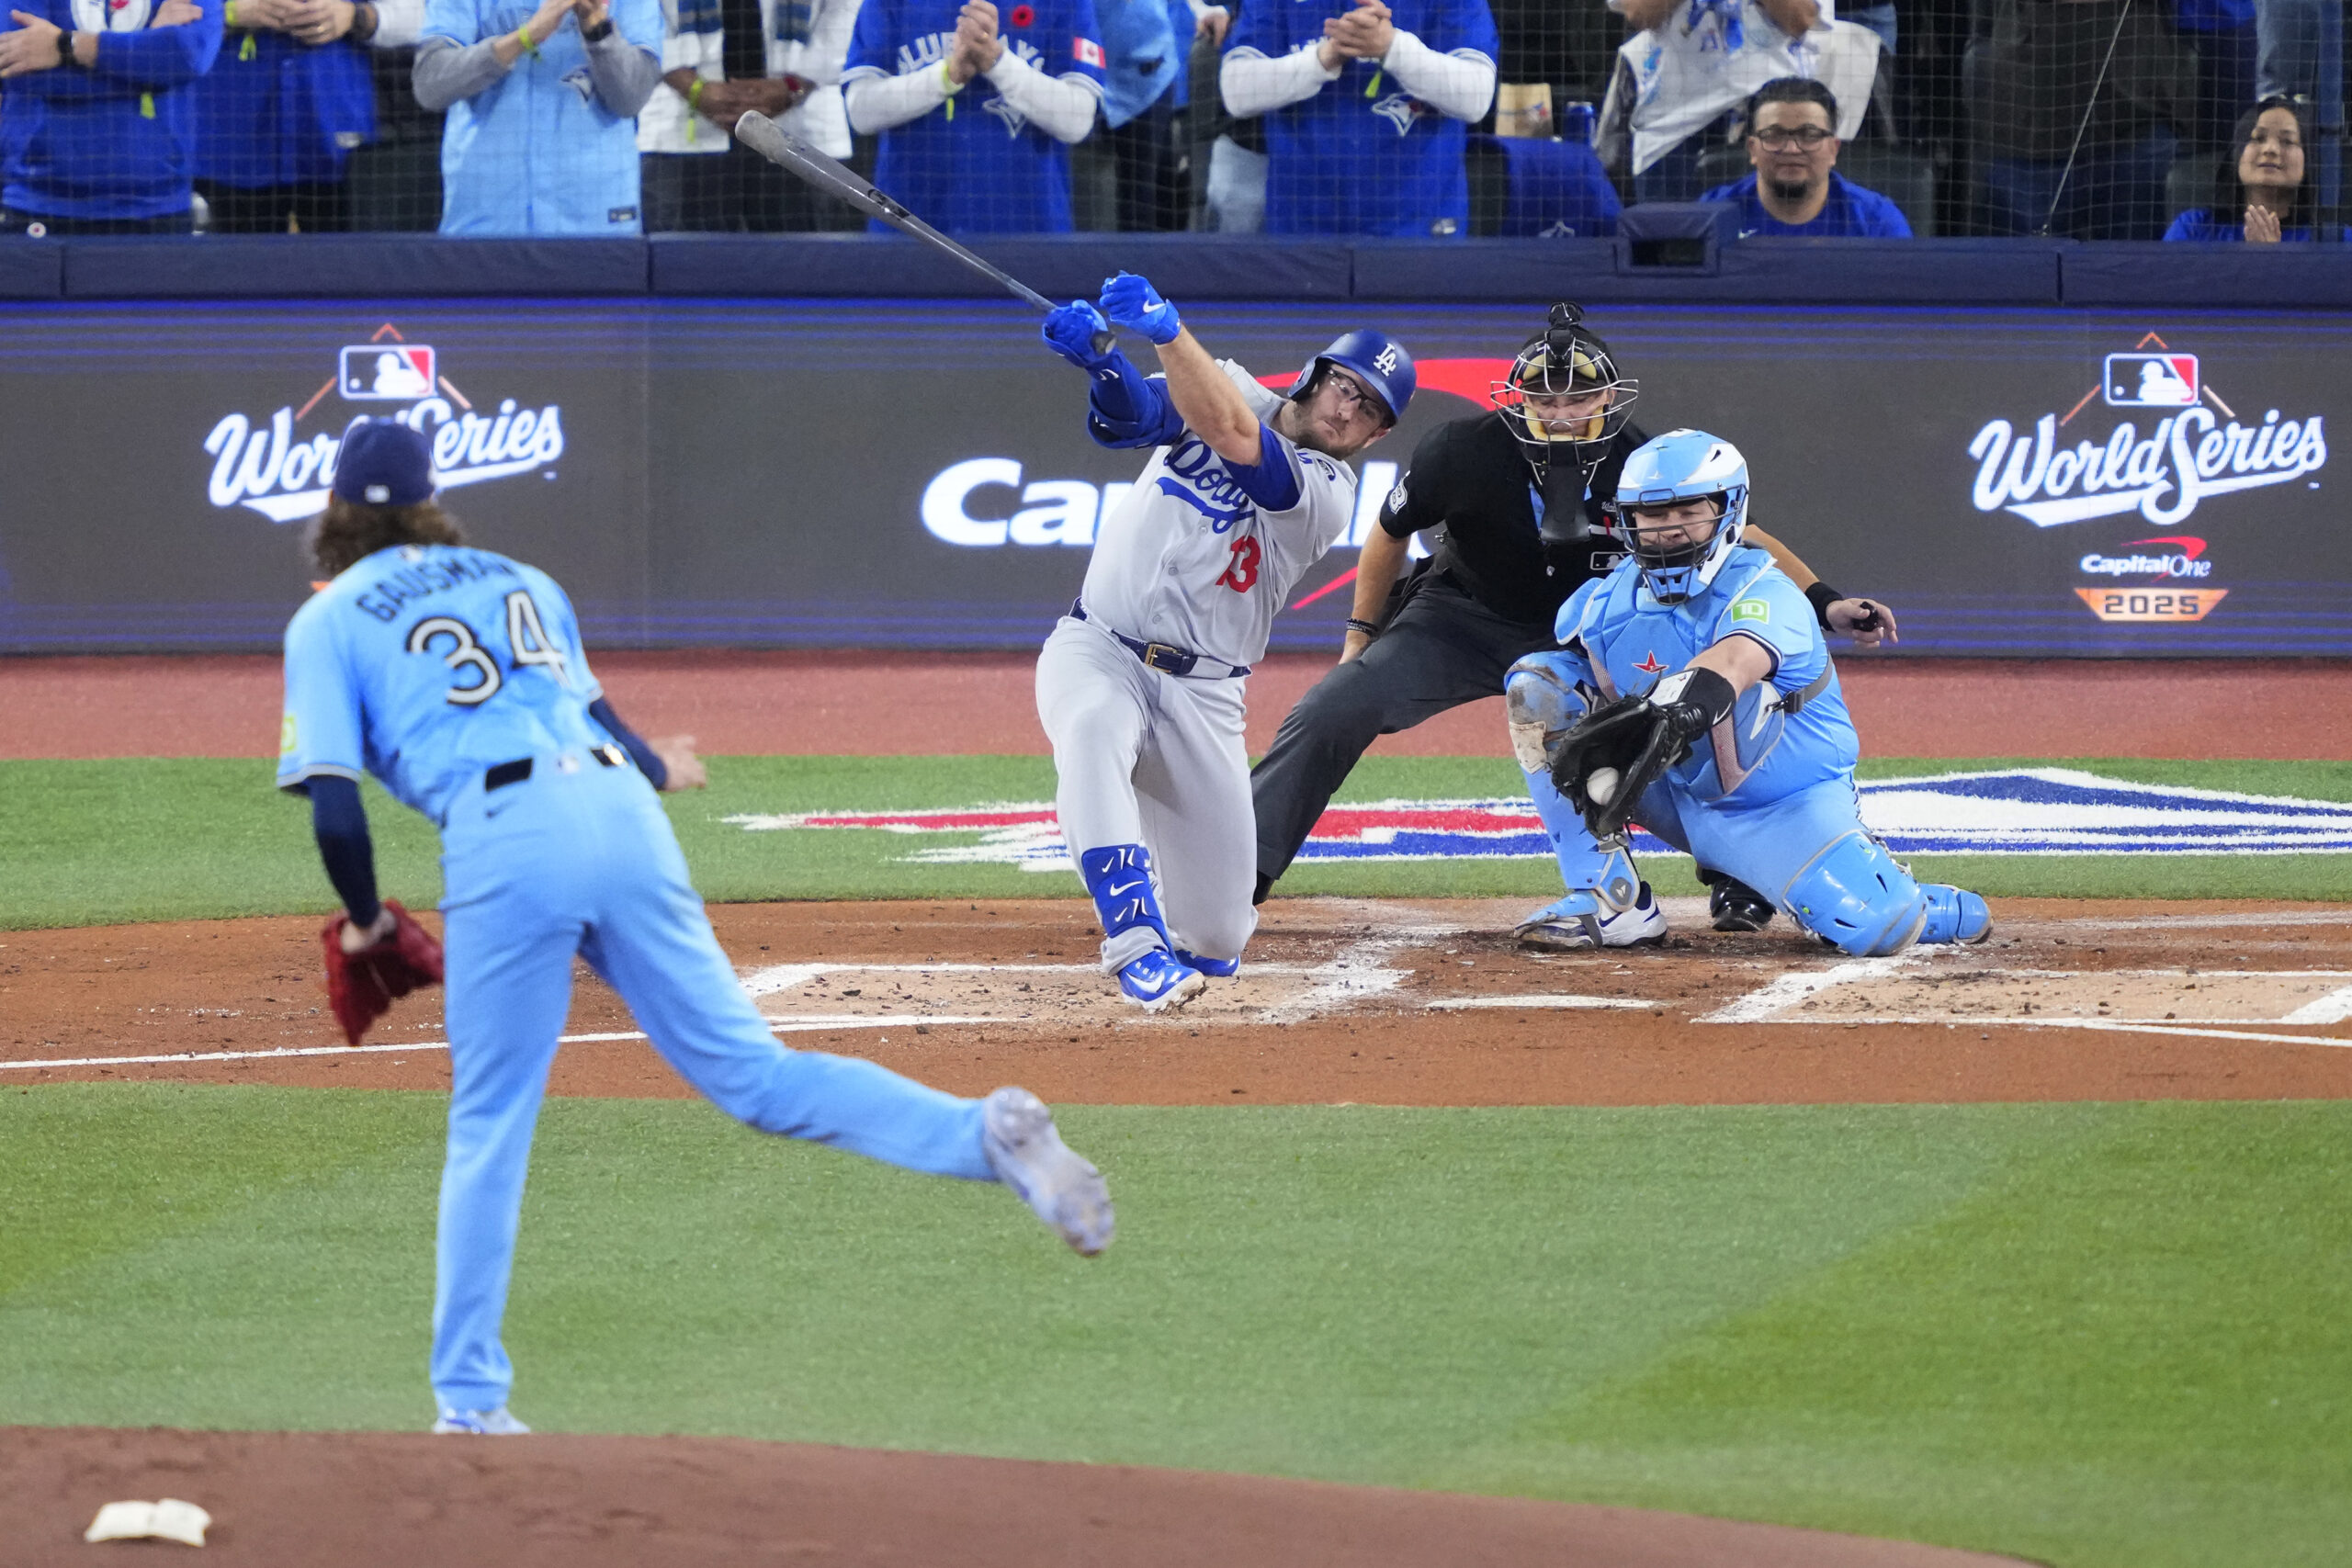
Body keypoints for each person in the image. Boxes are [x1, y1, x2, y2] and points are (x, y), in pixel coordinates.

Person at [277, 417, 1114, 1435]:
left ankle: (469, 1401)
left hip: (507, 837)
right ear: (429, 504)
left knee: (491, 1124)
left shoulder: (325, 621)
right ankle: (982, 1132)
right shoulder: (522, 577)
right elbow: (604, 726)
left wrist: (367, 922)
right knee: (755, 1075)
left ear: (331, 512)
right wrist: (653, 765)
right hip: (621, 816)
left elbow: (332, 805)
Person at [1249, 302, 1897, 946]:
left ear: (1610, 396)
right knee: (1334, 706)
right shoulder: (1460, 450)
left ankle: (1740, 875)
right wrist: (1358, 643)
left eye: (1579, 397)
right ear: (1517, 398)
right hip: (1461, 619)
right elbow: (1389, 533)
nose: (1560, 412)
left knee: (1693, 711)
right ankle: (1241, 868)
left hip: (1593, 634)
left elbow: (1741, 537)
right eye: (1543, 397)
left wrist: (1825, 601)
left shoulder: (1643, 462)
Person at [1035, 272, 1408, 1010]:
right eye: (1346, 385)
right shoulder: (1227, 383)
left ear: (1377, 436)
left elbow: (1238, 440)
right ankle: (1135, 943)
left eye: (1369, 408)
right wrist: (1104, 365)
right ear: (1315, 374)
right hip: (1099, 645)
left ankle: (1177, 927)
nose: (1348, 409)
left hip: (1203, 693)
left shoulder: (1329, 492)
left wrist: (1167, 330)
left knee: (1216, 937)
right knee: (1093, 727)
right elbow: (1133, 418)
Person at [1507, 429, 1990, 956]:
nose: (1668, 529)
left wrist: (1672, 707)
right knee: (1538, 685)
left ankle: (1918, 901)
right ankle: (1611, 898)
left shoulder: (1766, 590)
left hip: (1784, 806)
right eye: (1652, 514)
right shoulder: (1602, 603)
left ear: (1727, 510)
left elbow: (1733, 662)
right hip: (1680, 792)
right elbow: (1555, 694)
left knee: (1878, 928)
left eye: (1688, 509)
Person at [1218, 0, 1499, 236]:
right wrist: (1322, 59)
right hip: (1302, 226)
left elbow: (1475, 97)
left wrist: (1393, 48)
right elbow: (1237, 93)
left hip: (1420, 225)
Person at [842, 0, 1105, 234]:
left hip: (1030, 232)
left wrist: (999, 64)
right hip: (909, 228)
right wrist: (946, 76)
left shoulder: (1065, 4)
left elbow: (1077, 120)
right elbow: (860, 112)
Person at [413, 0, 663, 233]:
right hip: (487, 218)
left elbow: (631, 98)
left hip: (594, 218)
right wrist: (525, 37)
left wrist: (596, 26)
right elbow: (431, 86)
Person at [191, 0, 422, 232]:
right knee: (240, 265)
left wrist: (356, 17)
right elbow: (158, 18)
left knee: (348, 264)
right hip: (230, 141)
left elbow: (424, 17)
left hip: (338, 136)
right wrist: (229, 13)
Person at [0, 0, 223, 235]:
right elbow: (21, 71)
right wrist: (146, 53)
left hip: (159, 203)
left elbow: (186, 57)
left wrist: (66, 45)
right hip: (41, 199)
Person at [638, 0, 859, 231]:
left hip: (802, 132)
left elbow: (848, 9)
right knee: (681, 263)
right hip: (680, 132)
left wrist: (795, 84)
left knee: (810, 262)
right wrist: (690, 85)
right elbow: (634, 12)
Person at [1610, 0, 1832, 204]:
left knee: (1773, 243)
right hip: (1673, 125)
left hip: (1774, 117)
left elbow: (1800, 17)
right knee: (1677, 243)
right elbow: (1640, 13)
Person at [1697, 77, 1909, 236]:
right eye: (1774, 135)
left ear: (1833, 149)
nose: (1791, 149)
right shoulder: (1712, 216)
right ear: (1752, 149)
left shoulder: (1878, 222)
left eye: (1809, 135)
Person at [2165, 96, 2346, 241]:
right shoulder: (2193, 227)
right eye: (2258, 138)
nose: (2270, 149)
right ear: (2238, 154)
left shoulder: (2335, 238)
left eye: (2287, 141)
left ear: (2308, 160)